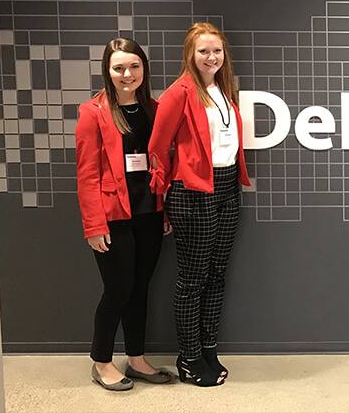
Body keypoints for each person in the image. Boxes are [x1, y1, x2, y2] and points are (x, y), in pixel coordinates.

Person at [148, 22, 251, 387]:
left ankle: (208, 349)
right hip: (192, 192)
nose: (211, 57)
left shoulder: (223, 89)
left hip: (226, 189)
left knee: (217, 275)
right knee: (192, 280)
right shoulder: (180, 92)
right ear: (190, 54)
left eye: (217, 51)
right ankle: (188, 357)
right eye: (204, 51)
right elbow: (157, 148)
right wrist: (162, 198)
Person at [75, 38, 173, 391]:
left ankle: (135, 359)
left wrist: (163, 210)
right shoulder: (93, 112)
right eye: (119, 68)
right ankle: (101, 362)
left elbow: (162, 160)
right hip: (112, 215)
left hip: (149, 212)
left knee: (140, 289)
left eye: (134, 66)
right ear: (108, 71)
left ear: (143, 69)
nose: (127, 74)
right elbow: (86, 173)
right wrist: (93, 224)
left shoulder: (156, 108)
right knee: (118, 289)